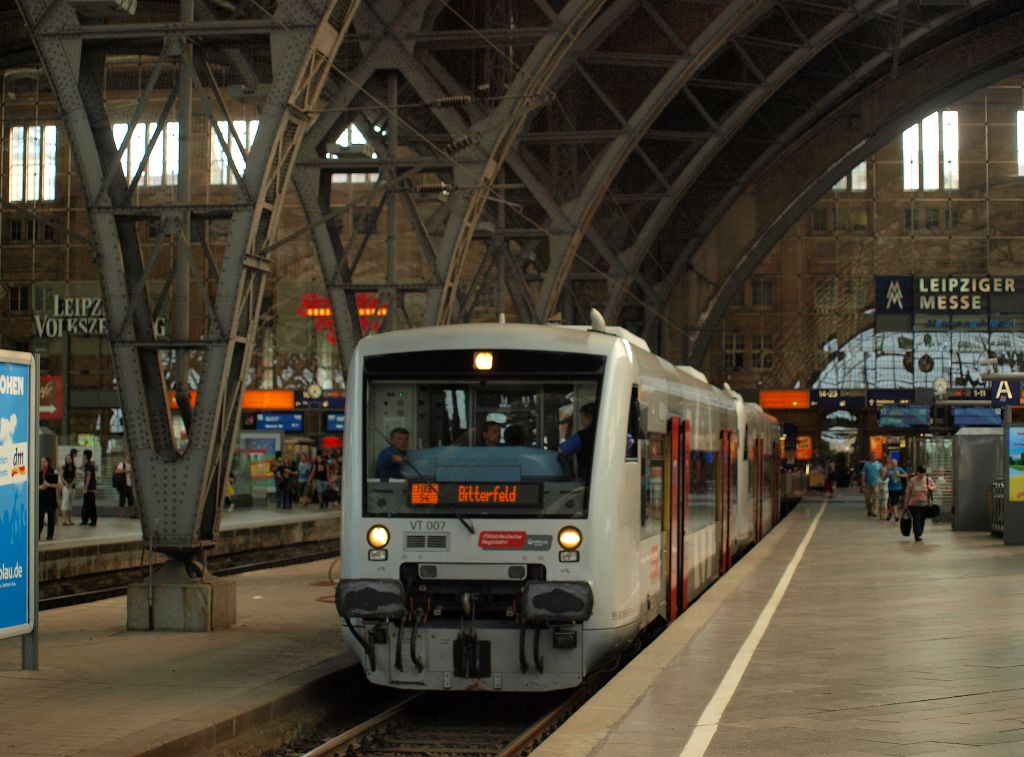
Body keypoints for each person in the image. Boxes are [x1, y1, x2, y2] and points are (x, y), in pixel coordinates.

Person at [559, 403, 597, 483]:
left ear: (588, 417)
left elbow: (562, 450)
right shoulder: (612, 434)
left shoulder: (581, 436)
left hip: (587, 482)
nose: (581, 420)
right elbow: (630, 441)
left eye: (582, 417)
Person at [903, 465, 936, 542]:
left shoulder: (928, 479)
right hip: (913, 504)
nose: (922, 475)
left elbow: (934, 487)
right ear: (917, 472)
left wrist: (931, 488)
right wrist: (905, 504)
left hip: (925, 504)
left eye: (923, 473)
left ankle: (919, 532)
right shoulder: (912, 480)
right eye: (920, 473)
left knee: (922, 519)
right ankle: (917, 534)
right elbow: (907, 493)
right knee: (917, 518)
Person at [39, 456, 59, 541]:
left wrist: (49, 485)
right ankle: (38, 533)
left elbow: (59, 485)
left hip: (51, 497)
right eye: (41, 462)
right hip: (42, 496)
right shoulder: (40, 473)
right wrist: (41, 487)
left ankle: (50, 535)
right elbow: (37, 484)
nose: (42, 463)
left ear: (48, 462)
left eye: (44, 461)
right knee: (40, 516)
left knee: (51, 516)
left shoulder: (53, 472)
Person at [860, 451, 884, 518]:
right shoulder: (866, 464)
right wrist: (863, 482)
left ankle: (874, 511)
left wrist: (881, 481)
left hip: (876, 483)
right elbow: (863, 474)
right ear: (870, 457)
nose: (874, 457)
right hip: (868, 484)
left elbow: (882, 473)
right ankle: (869, 509)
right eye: (872, 456)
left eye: (875, 456)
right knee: (868, 499)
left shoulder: (879, 464)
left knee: (875, 497)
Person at [883, 457, 907, 523]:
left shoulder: (900, 469)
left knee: (894, 502)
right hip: (891, 488)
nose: (894, 464)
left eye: (895, 463)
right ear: (891, 464)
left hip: (899, 488)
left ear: (897, 464)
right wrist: (888, 474)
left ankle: (890, 514)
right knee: (894, 502)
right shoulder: (889, 470)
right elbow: (883, 478)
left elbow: (906, 475)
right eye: (892, 463)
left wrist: (900, 475)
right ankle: (896, 516)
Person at [80, 449, 98, 526]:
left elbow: (88, 476)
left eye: (83, 454)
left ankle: (85, 520)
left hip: (89, 488)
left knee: (87, 505)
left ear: (86, 456)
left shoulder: (88, 465)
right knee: (91, 505)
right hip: (92, 488)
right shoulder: (89, 464)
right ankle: (93, 521)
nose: (82, 456)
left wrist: (85, 488)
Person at [59, 451, 76, 526]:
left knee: (70, 503)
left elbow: (76, 477)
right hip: (66, 487)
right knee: (65, 503)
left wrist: (72, 483)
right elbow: (61, 477)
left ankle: (69, 519)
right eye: (67, 458)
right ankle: (64, 519)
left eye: (70, 458)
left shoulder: (74, 467)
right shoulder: (63, 467)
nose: (69, 460)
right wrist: (66, 483)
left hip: (72, 487)